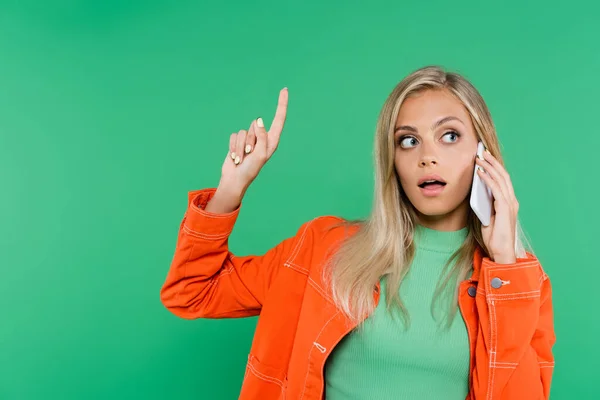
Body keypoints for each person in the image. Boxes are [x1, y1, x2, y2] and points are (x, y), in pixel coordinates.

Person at [160, 65, 556, 399]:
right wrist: (231, 188)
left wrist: (504, 264)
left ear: (482, 154)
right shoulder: (324, 248)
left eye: (449, 135)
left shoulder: (522, 285)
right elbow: (193, 290)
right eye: (408, 140)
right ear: (392, 159)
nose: (427, 156)